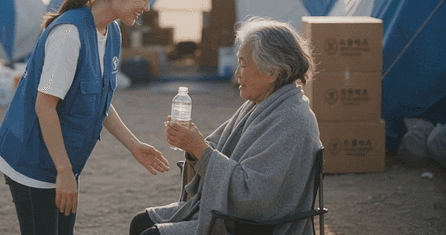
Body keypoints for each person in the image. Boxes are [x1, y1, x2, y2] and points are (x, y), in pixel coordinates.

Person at [0, 0, 170, 235]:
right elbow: (44, 106)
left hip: (62, 163)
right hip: (33, 161)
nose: (147, 7)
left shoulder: (111, 32)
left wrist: (134, 145)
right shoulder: (69, 34)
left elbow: (99, 101)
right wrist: (63, 171)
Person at [130, 16, 323, 235]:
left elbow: (253, 198)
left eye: (243, 64)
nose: (236, 73)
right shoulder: (260, 104)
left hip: (257, 226)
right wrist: (192, 145)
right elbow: (213, 148)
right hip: (234, 215)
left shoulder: (292, 119)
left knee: (150, 234)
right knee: (140, 222)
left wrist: (198, 149)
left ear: (272, 72)